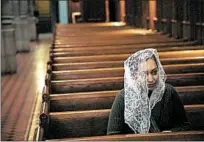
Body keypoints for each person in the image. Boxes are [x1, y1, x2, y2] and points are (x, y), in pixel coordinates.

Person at [107, 48, 190, 135]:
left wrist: (169, 133)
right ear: (135, 75)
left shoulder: (169, 92)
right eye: (144, 74)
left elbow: (184, 126)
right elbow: (112, 135)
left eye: (154, 72)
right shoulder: (123, 97)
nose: (150, 79)